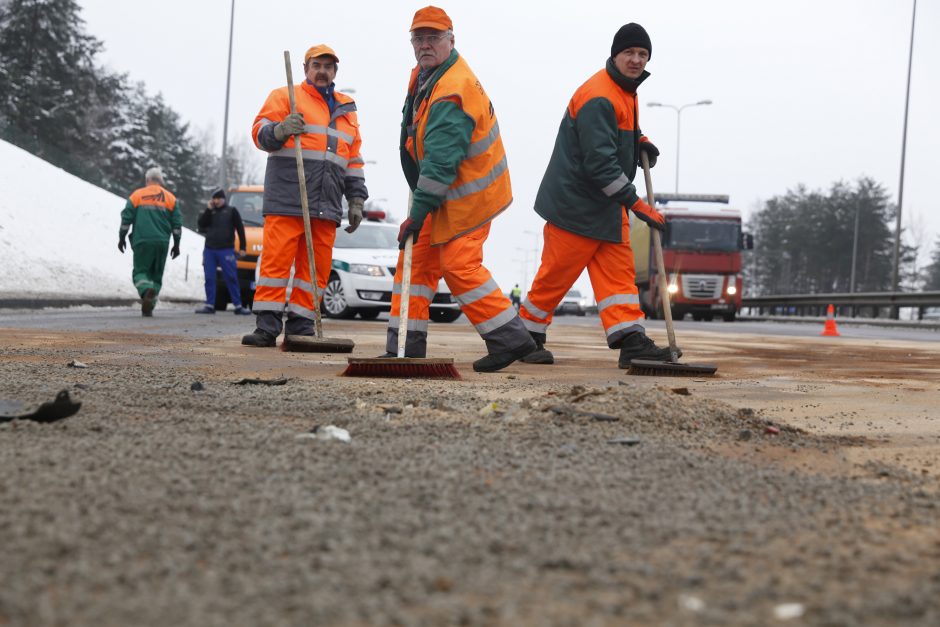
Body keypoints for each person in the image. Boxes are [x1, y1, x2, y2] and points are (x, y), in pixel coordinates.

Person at [383, 6, 549, 372]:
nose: (426, 45)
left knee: (458, 264)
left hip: (469, 196)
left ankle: (511, 338)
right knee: (414, 263)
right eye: (419, 38)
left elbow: (441, 163)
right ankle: (404, 346)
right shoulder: (427, 78)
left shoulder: (452, 91)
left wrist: (416, 214)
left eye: (434, 37)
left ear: (451, 40)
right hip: (442, 196)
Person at [518, 23, 680, 368]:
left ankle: (631, 340)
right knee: (555, 277)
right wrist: (638, 206)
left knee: (620, 279)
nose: (636, 60)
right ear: (615, 55)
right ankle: (524, 337)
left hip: (605, 206)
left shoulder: (625, 91)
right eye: (630, 53)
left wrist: (639, 142)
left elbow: (615, 135)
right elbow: (599, 164)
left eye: (642, 54)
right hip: (574, 206)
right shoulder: (598, 95)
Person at [242, 44, 368, 347]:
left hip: (326, 204)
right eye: (316, 65)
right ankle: (267, 327)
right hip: (288, 198)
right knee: (276, 264)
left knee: (315, 270)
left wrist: (356, 199)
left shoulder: (347, 110)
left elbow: (353, 160)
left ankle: (301, 325)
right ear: (305, 69)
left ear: (335, 71)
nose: (322, 71)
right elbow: (260, 133)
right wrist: (281, 130)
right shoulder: (285, 96)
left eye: (328, 66)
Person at [118, 166, 181, 317]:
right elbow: (177, 225)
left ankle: (146, 291)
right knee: (156, 275)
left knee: (140, 272)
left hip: (142, 241)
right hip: (162, 243)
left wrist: (121, 237)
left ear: (147, 180)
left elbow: (126, 218)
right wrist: (177, 244)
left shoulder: (137, 195)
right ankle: (150, 305)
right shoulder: (171, 198)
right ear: (161, 182)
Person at [195, 187, 251, 315]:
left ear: (223, 199)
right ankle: (209, 305)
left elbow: (240, 229)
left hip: (226, 250)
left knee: (231, 277)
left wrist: (243, 247)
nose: (215, 201)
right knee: (209, 277)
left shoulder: (231, 211)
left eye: (217, 199)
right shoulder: (210, 212)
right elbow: (201, 224)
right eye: (213, 199)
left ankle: (238, 306)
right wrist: (208, 210)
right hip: (210, 250)